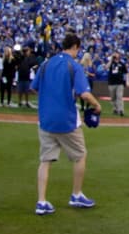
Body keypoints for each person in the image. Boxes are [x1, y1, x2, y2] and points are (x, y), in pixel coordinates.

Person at [30, 32, 101, 216]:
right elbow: (84, 93)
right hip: (66, 119)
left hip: (45, 118)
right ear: (75, 47)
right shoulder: (74, 66)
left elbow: (34, 87)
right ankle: (76, 194)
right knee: (80, 155)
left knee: (45, 161)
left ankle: (41, 202)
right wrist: (97, 105)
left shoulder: (46, 64)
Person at [105, 51, 129, 116]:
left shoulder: (122, 64)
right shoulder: (111, 63)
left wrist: (127, 81)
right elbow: (106, 67)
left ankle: (121, 110)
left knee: (119, 96)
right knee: (113, 98)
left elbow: (126, 72)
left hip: (120, 82)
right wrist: (111, 59)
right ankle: (115, 108)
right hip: (111, 82)